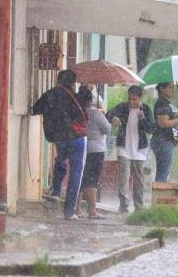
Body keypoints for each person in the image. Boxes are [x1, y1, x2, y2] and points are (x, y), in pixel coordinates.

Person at [32, 70, 87, 220]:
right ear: (72, 83)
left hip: (59, 138)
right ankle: (70, 210)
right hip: (76, 138)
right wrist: (86, 91)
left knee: (60, 160)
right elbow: (83, 115)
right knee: (76, 172)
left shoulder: (50, 95)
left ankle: (56, 191)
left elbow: (35, 109)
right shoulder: (76, 97)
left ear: (58, 80)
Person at [106, 85, 154, 213]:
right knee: (124, 178)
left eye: (134, 99)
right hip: (123, 147)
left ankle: (139, 206)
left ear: (140, 97)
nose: (131, 102)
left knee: (139, 179)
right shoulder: (122, 107)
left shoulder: (146, 109)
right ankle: (124, 205)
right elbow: (108, 114)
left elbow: (151, 129)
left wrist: (142, 119)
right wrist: (114, 118)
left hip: (140, 150)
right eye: (130, 99)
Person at [76, 86, 111, 219]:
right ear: (91, 100)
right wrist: (112, 122)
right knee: (92, 180)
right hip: (96, 150)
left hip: (82, 148)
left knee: (80, 179)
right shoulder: (96, 113)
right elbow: (107, 129)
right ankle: (92, 211)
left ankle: (77, 209)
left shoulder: (78, 113)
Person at [150, 82, 178, 182]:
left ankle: (160, 194)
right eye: (170, 87)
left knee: (163, 172)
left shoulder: (167, 103)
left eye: (173, 87)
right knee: (163, 173)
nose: (172, 90)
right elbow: (163, 123)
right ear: (162, 89)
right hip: (163, 141)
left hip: (167, 141)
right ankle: (159, 196)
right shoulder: (162, 103)